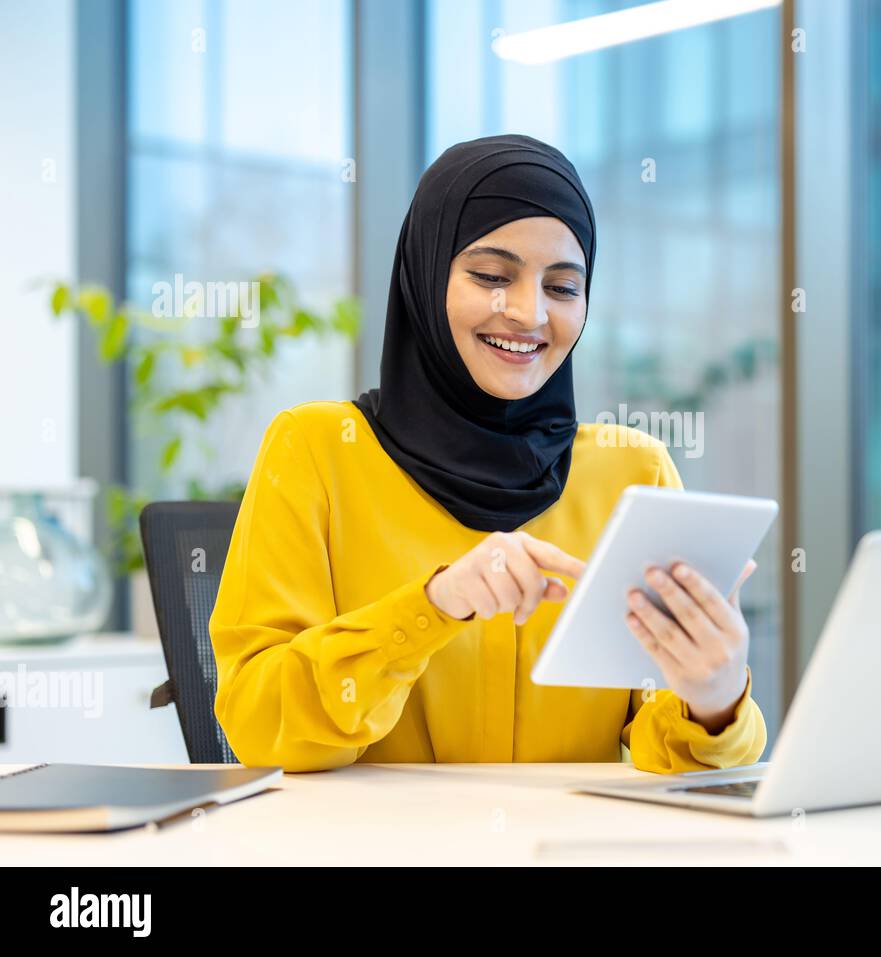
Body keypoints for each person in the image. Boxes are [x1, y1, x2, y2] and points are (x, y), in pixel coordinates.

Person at [211, 134, 766, 773]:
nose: (529, 313)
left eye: (563, 287)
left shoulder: (632, 471)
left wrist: (715, 699)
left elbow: (670, 755)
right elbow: (261, 727)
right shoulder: (316, 450)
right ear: (426, 274)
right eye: (492, 276)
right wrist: (432, 606)